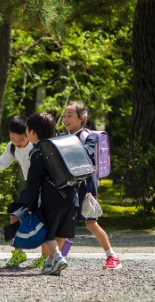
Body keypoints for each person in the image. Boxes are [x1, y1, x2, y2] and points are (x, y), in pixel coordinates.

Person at [0, 116, 46, 268]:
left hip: (45, 188)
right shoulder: (12, 147)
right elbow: (1, 164)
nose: (17, 143)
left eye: (21, 139)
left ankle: (45, 257)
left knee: (43, 219)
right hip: (30, 187)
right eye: (13, 138)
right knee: (14, 214)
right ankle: (18, 253)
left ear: (30, 134)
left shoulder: (39, 145)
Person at [61, 101, 122, 270]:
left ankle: (112, 256)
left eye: (69, 116)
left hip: (86, 185)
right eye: (64, 116)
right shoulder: (62, 137)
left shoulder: (89, 137)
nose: (65, 119)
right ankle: (57, 258)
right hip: (69, 184)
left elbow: (87, 154)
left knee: (90, 223)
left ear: (82, 118)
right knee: (65, 220)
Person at [25, 112, 79, 275]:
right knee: (62, 232)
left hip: (53, 199)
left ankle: (59, 258)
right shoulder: (61, 145)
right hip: (72, 196)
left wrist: (31, 205)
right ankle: (50, 264)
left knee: (47, 232)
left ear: (32, 132)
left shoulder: (37, 152)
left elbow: (32, 183)